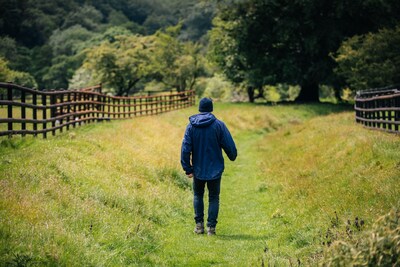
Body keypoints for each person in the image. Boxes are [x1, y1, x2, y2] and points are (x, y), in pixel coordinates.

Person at [181, 97, 237, 236]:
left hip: (198, 169)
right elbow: (229, 144)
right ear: (211, 108)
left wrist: (188, 168)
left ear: (199, 109)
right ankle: (211, 228)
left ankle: (199, 226)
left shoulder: (191, 126)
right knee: (213, 197)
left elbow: (185, 148)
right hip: (215, 169)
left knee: (198, 195)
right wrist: (232, 155)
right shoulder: (219, 125)